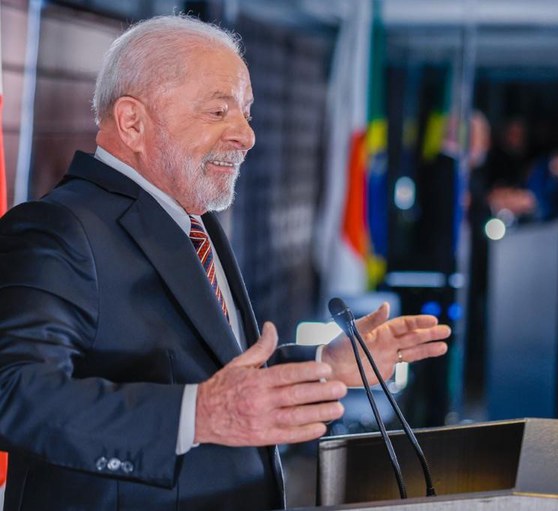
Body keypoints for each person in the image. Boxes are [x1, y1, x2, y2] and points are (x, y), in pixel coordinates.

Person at [0, 15, 450, 511]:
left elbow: (211, 374)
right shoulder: (58, 228)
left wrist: (326, 366)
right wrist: (199, 416)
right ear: (133, 122)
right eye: (218, 112)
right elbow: (15, 396)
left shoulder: (195, 219)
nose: (246, 136)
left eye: (246, 112)